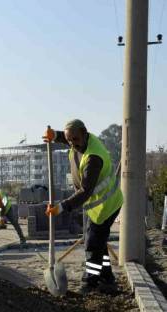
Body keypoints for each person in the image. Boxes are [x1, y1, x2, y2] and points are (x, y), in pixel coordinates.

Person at [44, 119, 123, 293]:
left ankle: (90, 282)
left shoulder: (93, 157)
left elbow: (86, 191)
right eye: (69, 140)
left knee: (92, 245)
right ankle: (107, 279)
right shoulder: (79, 140)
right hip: (93, 205)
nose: (72, 144)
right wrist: (55, 135)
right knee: (98, 244)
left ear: (84, 133)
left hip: (106, 206)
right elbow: (68, 138)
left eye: (75, 140)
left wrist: (62, 207)